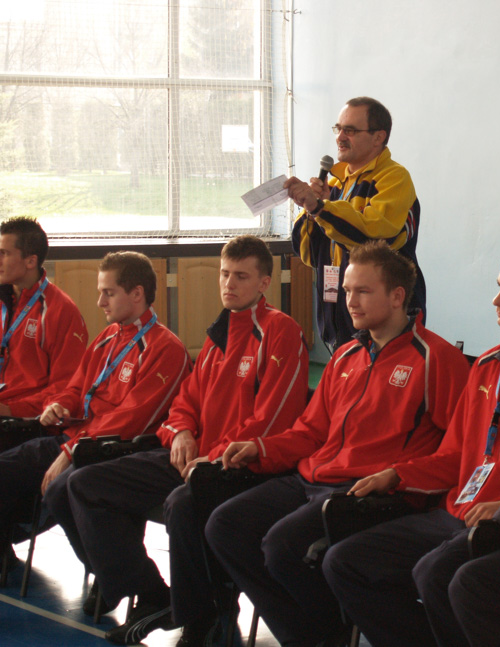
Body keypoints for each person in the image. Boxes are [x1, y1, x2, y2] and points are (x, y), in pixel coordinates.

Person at [322, 242, 500, 647]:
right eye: (499, 287)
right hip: (458, 510)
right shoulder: (487, 364)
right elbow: (455, 455)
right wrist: (396, 475)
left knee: (436, 574)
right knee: (344, 562)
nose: (497, 300)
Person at [42, 236, 310, 647]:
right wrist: (181, 431)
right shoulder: (221, 332)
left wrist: (212, 457)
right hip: (191, 456)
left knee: (184, 505)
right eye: (224, 274)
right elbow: (185, 402)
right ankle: (150, 593)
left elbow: (272, 420)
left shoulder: (279, 331)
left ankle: (202, 616)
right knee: (85, 484)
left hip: (239, 465)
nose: (229, 284)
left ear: (264, 283)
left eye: (241, 276)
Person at [204, 240, 469, 647]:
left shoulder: (436, 359)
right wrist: (262, 447)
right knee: (225, 525)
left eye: (362, 291)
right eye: (347, 291)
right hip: (314, 478)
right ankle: (312, 634)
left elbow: (460, 451)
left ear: (398, 297)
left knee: (281, 546)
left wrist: (399, 475)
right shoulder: (345, 356)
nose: (350, 302)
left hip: (367, 490)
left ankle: (324, 634)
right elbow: (310, 432)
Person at [1, 251, 189, 567]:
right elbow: (77, 387)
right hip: (77, 439)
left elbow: (132, 418)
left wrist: (72, 450)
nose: (101, 302)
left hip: (111, 448)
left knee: (62, 489)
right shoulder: (108, 336)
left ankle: (117, 576)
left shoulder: (165, 349)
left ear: (137, 294)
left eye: (108, 293)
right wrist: (59, 405)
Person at [287, 96, 426, 348]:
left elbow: (374, 237)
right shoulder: (334, 185)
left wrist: (319, 207)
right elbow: (306, 253)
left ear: (378, 137)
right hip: (338, 316)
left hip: (386, 320)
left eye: (350, 130)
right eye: (338, 128)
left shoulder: (394, 178)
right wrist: (311, 210)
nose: (340, 136)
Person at [0, 216, 88, 418]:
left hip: (24, 420)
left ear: (31, 261)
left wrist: (11, 411)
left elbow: (65, 388)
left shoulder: (61, 311)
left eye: (4, 253)